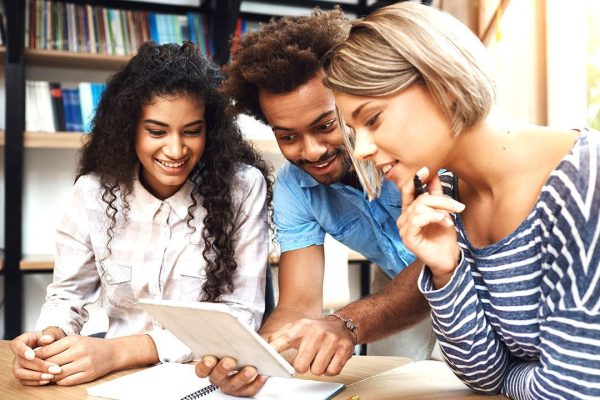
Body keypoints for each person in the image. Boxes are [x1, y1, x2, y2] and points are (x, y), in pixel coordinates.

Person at [325, 2, 600, 399]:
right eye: (354, 130)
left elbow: (569, 390)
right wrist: (445, 269)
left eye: (372, 119)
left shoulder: (583, 181)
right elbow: (483, 377)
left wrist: (512, 378)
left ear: (445, 86)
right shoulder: (447, 195)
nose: (362, 149)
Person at [195, 8, 434, 397]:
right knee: (396, 387)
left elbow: (442, 262)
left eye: (325, 126)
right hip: (393, 279)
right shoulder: (293, 189)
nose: (312, 151)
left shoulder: (411, 148)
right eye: (287, 136)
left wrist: (347, 322)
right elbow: (299, 305)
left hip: (469, 273)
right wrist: (255, 357)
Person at [10, 41, 272, 387]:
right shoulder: (92, 192)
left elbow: (242, 315)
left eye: (192, 131)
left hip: (208, 379)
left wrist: (117, 352)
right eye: (157, 131)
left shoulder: (242, 187)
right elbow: (67, 296)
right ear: (127, 127)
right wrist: (47, 342)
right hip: (117, 379)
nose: (176, 150)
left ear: (211, 130)